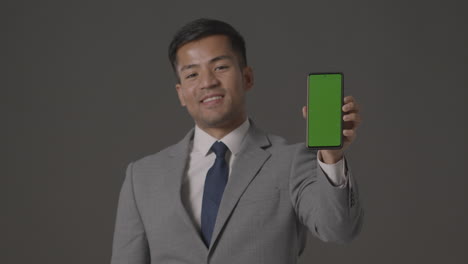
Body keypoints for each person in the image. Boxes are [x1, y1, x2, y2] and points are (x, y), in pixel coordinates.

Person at [111, 18, 363, 264]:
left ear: (247, 77)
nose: (208, 82)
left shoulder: (290, 161)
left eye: (220, 67)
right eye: (192, 74)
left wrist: (332, 156)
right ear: (181, 94)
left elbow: (339, 229)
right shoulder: (142, 177)